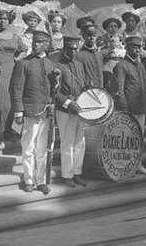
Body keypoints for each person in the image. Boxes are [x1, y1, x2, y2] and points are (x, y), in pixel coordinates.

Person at [11, 30, 58, 194]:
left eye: (39, 43)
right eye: (34, 42)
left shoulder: (51, 64)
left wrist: (56, 83)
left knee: (42, 149)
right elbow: (16, 89)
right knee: (29, 148)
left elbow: (53, 90)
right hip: (30, 112)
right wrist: (18, 111)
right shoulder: (24, 63)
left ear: (46, 44)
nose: (35, 45)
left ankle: (41, 181)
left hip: (46, 113)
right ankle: (29, 180)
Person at [114, 36, 146, 175]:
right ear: (127, 47)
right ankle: (125, 166)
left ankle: (138, 164)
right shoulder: (121, 65)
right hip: (129, 109)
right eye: (135, 47)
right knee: (127, 139)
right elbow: (119, 89)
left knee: (139, 138)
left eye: (139, 47)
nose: (137, 50)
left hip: (140, 107)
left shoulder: (140, 65)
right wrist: (124, 109)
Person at [53, 36, 88, 187]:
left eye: (75, 49)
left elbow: (83, 84)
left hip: (79, 109)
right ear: (64, 49)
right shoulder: (58, 66)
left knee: (80, 142)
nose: (73, 51)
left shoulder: (79, 65)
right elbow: (54, 91)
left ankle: (77, 173)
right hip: (65, 110)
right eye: (70, 49)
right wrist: (68, 103)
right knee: (67, 143)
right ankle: (67, 175)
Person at [0, 9, 22, 143]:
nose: (3, 21)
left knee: (12, 99)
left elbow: (23, 50)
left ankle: (9, 129)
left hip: (12, 69)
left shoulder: (15, 36)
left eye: (5, 19)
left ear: (9, 21)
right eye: (0, 19)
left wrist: (16, 59)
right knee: (1, 100)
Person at [76, 22, 104, 88]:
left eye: (94, 35)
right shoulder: (79, 55)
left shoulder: (98, 54)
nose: (92, 38)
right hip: (87, 90)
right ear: (83, 37)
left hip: (100, 89)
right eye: (89, 35)